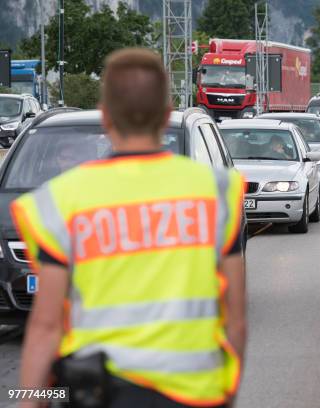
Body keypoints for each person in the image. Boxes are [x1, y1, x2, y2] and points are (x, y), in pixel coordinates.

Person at [12, 48, 246, 407]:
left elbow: (45, 326)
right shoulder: (216, 191)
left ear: (107, 118)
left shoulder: (64, 200)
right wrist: (224, 392)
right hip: (195, 393)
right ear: (166, 114)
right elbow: (235, 318)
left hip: (100, 391)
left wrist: (30, 399)